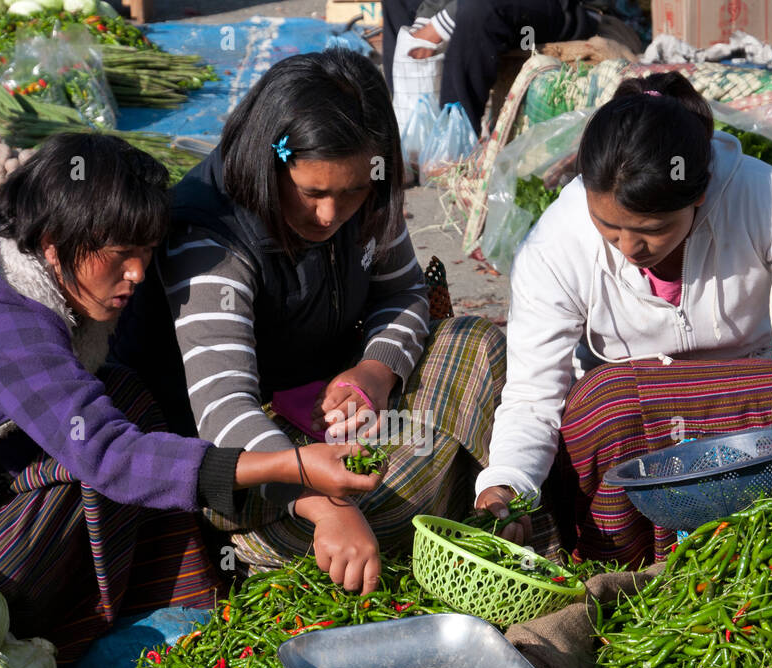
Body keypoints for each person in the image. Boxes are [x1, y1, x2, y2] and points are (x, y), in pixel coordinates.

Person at [0, 133, 379, 662]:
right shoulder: (2, 321)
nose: (137, 274)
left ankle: (170, 595)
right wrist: (291, 467)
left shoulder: (3, 246)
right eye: (120, 255)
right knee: (83, 481)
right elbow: (110, 457)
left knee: (124, 394)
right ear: (54, 247)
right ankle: (72, 631)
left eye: (147, 252)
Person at [112, 49, 506, 594]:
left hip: (332, 403)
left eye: (349, 193)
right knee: (386, 504)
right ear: (269, 163)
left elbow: (405, 291)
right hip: (247, 458)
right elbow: (224, 410)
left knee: (479, 343)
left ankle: (445, 491)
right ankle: (335, 530)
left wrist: (375, 370)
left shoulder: (366, 195)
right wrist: (323, 504)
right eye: (312, 192)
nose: (329, 215)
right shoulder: (209, 242)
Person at [473, 72, 772, 566]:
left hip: (746, 405)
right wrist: (507, 482)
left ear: (699, 193)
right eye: (608, 228)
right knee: (603, 405)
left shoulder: (763, 195)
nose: (629, 249)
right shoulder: (554, 244)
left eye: (652, 229)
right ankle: (625, 568)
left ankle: (743, 558)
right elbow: (533, 395)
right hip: (629, 423)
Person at [382, 0, 645, 132]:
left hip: (566, 8)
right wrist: (423, 21)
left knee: (478, 10)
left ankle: (454, 139)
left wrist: (439, 25)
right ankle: (407, 134)